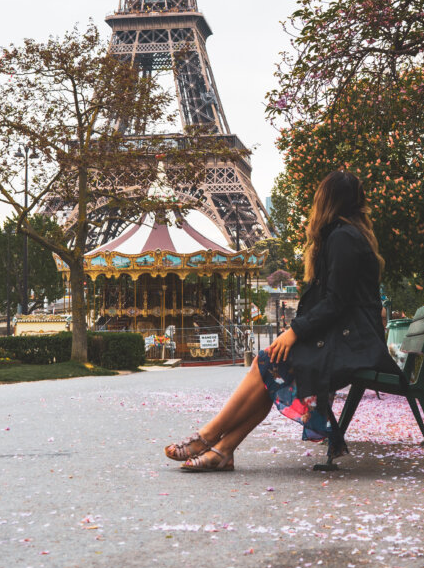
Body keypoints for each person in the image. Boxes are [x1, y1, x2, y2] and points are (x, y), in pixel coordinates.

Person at [164, 170, 402, 472]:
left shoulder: (343, 237)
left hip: (353, 345)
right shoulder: (347, 235)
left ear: (326, 200)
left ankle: (207, 438)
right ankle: (222, 449)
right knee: (267, 368)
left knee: (266, 362)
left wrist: (293, 333)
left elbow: (336, 301)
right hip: (354, 339)